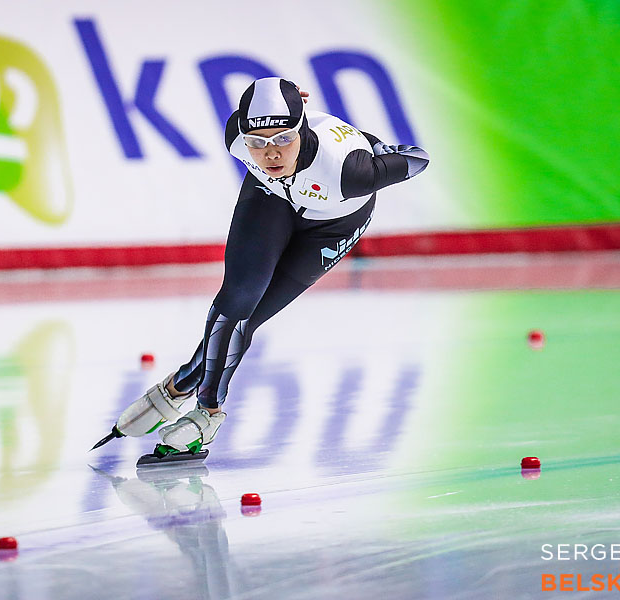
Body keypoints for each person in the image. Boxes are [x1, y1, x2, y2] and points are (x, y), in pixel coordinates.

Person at [104, 77, 429, 458]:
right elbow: (262, 135)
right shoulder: (235, 137)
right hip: (270, 198)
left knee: (249, 318)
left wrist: (371, 144)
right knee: (236, 303)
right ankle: (207, 412)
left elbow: (418, 157)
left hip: (333, 225)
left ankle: (178, 389)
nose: (270, 153)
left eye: (283, 139)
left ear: (302, 128)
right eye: (257, 143)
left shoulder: (350, 172)